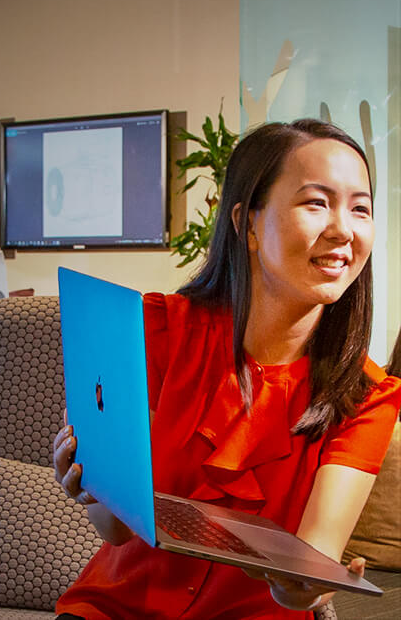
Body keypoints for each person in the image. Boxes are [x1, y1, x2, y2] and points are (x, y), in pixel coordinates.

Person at [53, 119, 401, 619]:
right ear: (248, 225)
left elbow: (313, 564)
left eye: (360, 208)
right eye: (316, 202)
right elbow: (117, 531)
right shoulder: (151, 331)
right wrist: (92, 488)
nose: (343, 230)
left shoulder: (368, 395)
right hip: (117, 609)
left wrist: (305, 588)